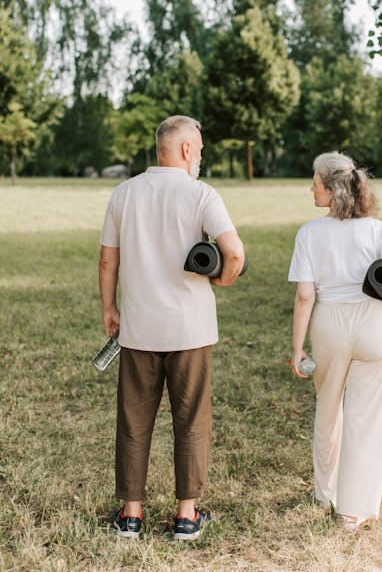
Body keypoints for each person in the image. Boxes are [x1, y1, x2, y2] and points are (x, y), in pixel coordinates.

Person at [99, 115, 245, 540]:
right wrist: (222, 278)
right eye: (198, 148)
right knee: (191, 419)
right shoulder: (202, 195)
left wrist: (110, 308)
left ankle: (131, 515)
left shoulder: (123, 193)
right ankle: (186, 516)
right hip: (190, 330)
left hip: (139, 327)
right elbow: (233, 252)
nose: (200, 155)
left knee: (133, 419)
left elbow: (108, 259)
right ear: (184, 150)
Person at [288, 151, 382, 530]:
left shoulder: (309, 233)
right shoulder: (376, 230)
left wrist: (297, 349)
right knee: (367, 418)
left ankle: (325, 492)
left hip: (329, 324)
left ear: (329, 188)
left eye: (314, 182)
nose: (310, 188)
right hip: (373, 324)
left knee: (328, 411)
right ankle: (353, 511)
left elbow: (305, 297)